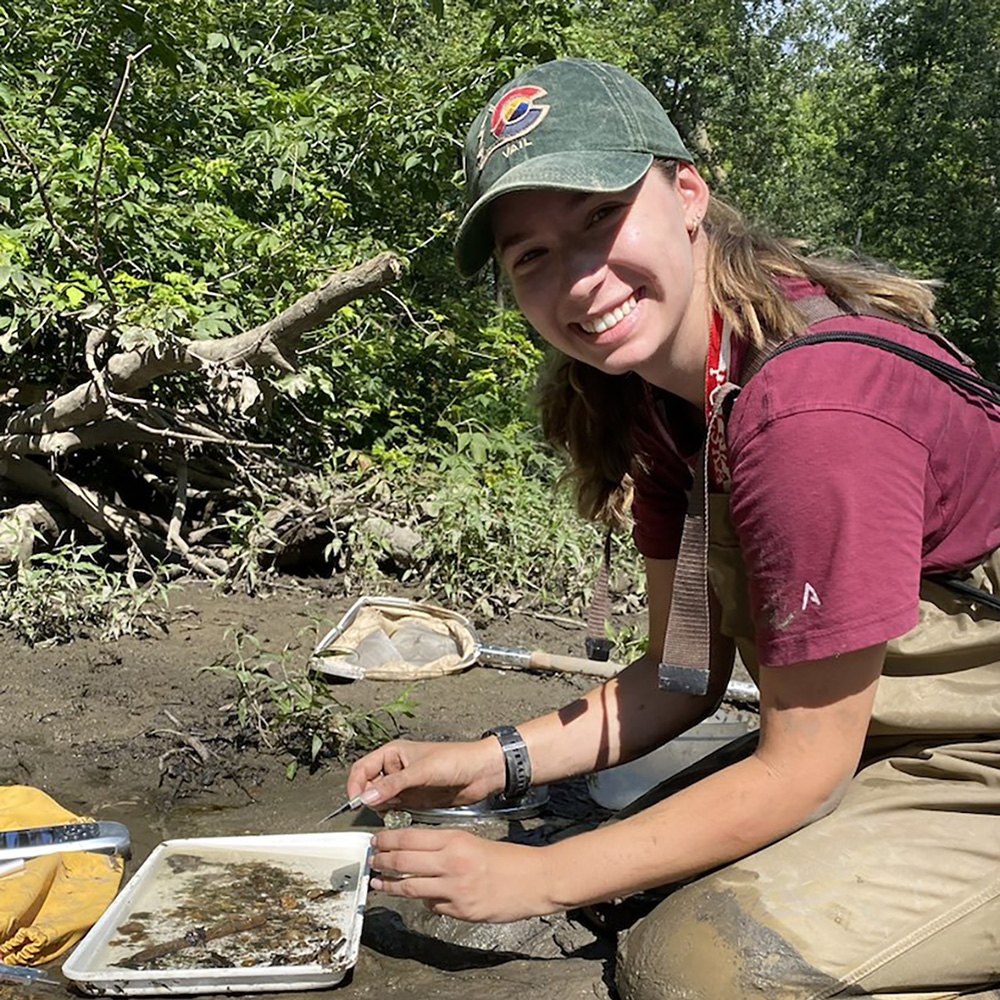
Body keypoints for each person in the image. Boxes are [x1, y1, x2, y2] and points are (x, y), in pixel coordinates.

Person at [347, 58, 1000, 1000]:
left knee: (687, 969)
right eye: (530, 256)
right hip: (888, 742)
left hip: (960, 757)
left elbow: (803, 769)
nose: (578, 279)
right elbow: (684, 673)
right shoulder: (663, 407)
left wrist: (534, 876)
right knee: (627, 890)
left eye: (599, 218)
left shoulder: (812, 409)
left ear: (687, 191)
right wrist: (487, 764)